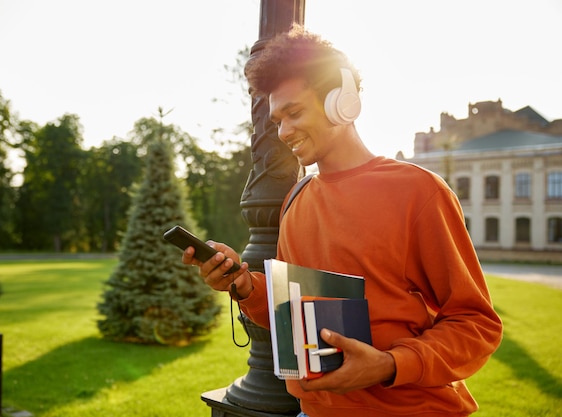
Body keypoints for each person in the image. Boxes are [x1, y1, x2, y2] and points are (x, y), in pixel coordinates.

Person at [182, 24, 503, 417]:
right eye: (277, 120)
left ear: (342, 103)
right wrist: (245, 285)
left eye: (294, 113)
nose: (283, 131)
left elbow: (476, 323)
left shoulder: (418, 191)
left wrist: (390, 364)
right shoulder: (296, 201)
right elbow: (294, 310)